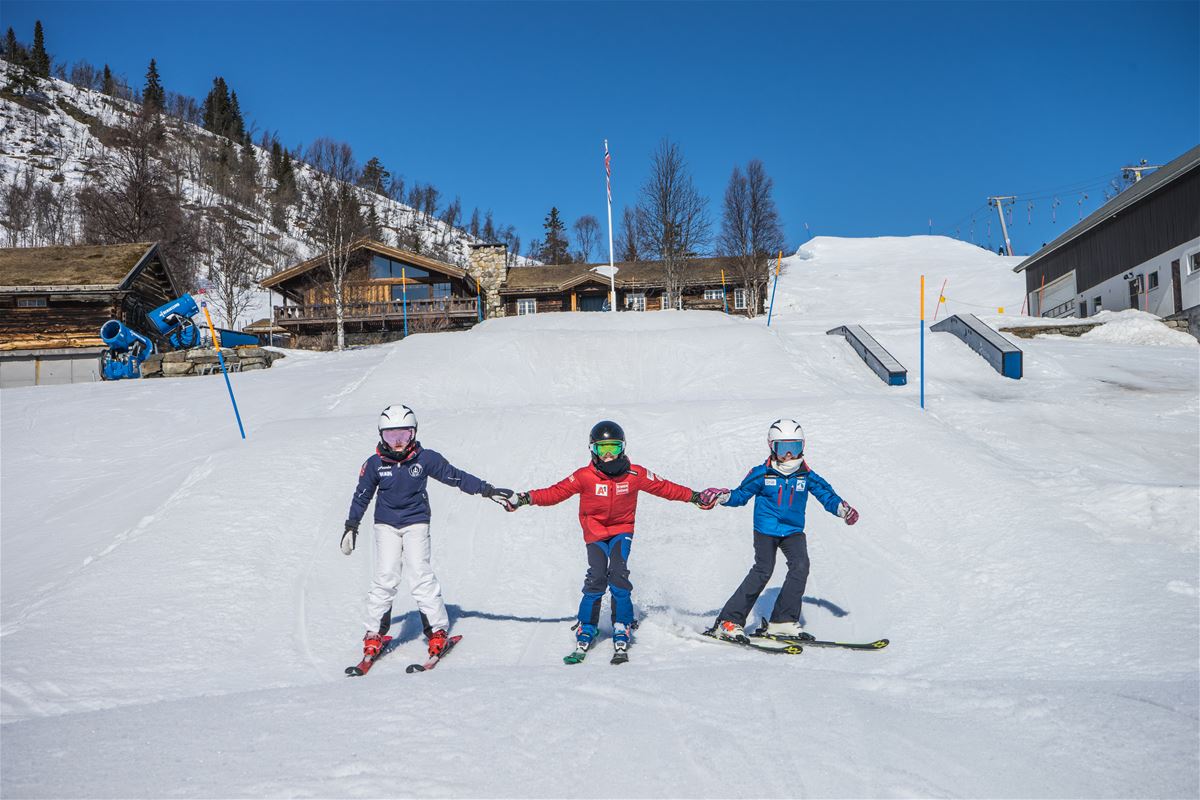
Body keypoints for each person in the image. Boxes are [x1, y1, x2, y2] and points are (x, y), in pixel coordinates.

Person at [504, 420, 721, 660]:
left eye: (614, 448)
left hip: (622, 530)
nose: (608, 455)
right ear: (592, 450)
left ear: (623, 448)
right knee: (597, 576)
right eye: (602, 449)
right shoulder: (584, 476)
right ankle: (587, 625)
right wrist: (525, 498)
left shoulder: (635, 474)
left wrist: (695, 497)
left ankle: (623, 623)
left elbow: (665, 487)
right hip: (595, 532)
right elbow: (555, 492)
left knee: (618, 574)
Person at [341, 404, 511, 660]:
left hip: (416, 522)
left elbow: (455, 477)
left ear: (414, 433)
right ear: (381, 436)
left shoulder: (425, 458)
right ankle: (374, 633)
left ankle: (437, 631)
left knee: (420, 574)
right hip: (386, 524)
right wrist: (351, 525)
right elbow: (362, 495)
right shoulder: (374, 464)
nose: (398, 443)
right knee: (385, 576)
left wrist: (487, 490)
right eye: (391, 436)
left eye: (404, 435)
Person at [708, 419, 859, 643]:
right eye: (782, 448)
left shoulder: (806, 475)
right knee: (763, 570)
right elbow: (740, 495)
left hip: (792, 531)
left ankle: (783, 621)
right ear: (771, 447)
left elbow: (826, 495)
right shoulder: (761, 473)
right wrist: (723, 496)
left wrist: (842, 510)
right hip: (766, 530)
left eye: (795, 447)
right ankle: (728, 621)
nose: (789, 454)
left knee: (801, 566)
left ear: (803, 446)